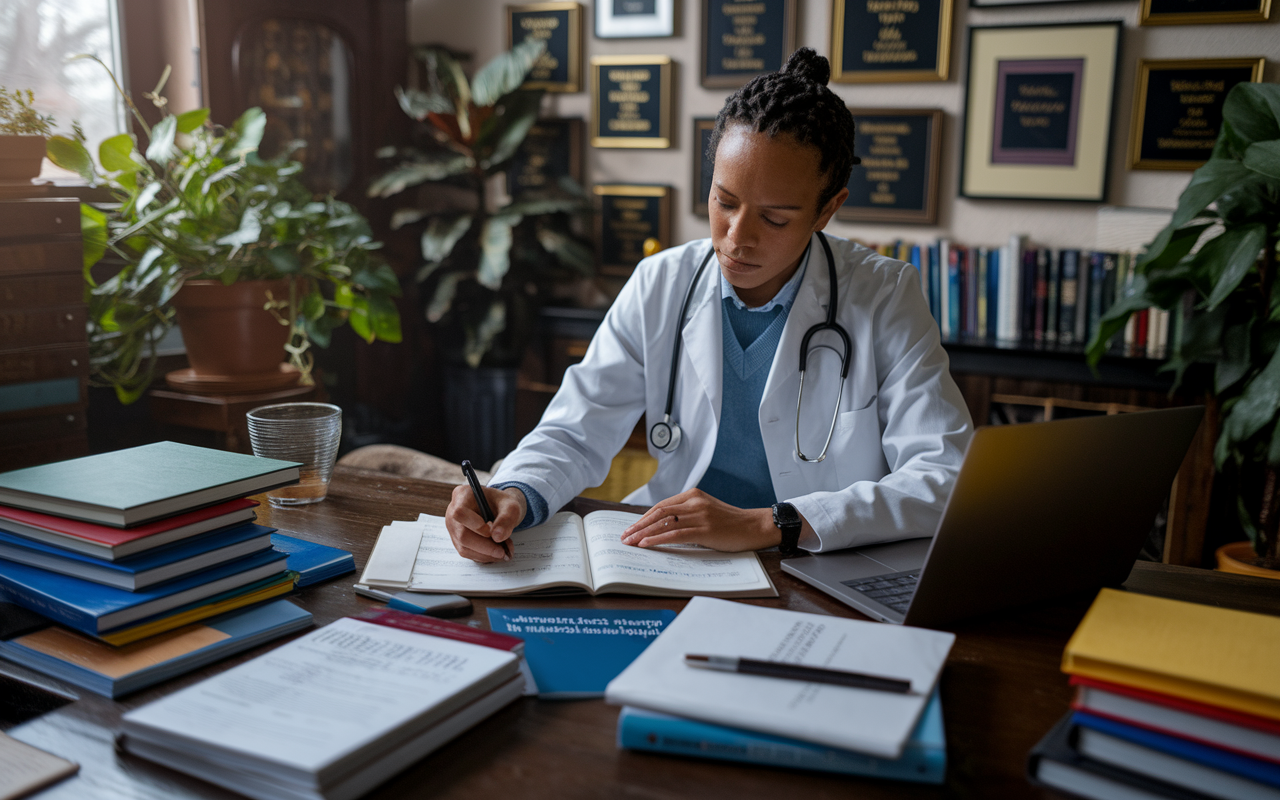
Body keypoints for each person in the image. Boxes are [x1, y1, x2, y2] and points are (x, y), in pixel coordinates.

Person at [444, 47, 973, 563]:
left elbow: (943, 475)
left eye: (775, 218)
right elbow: (578, 425)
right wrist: (515, 490)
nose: (736, 238)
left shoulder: (884, 296)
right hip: (672, 557)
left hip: (813, 562)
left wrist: (767, 523)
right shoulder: (661, 282)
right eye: (724, 201)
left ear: (827, 210)